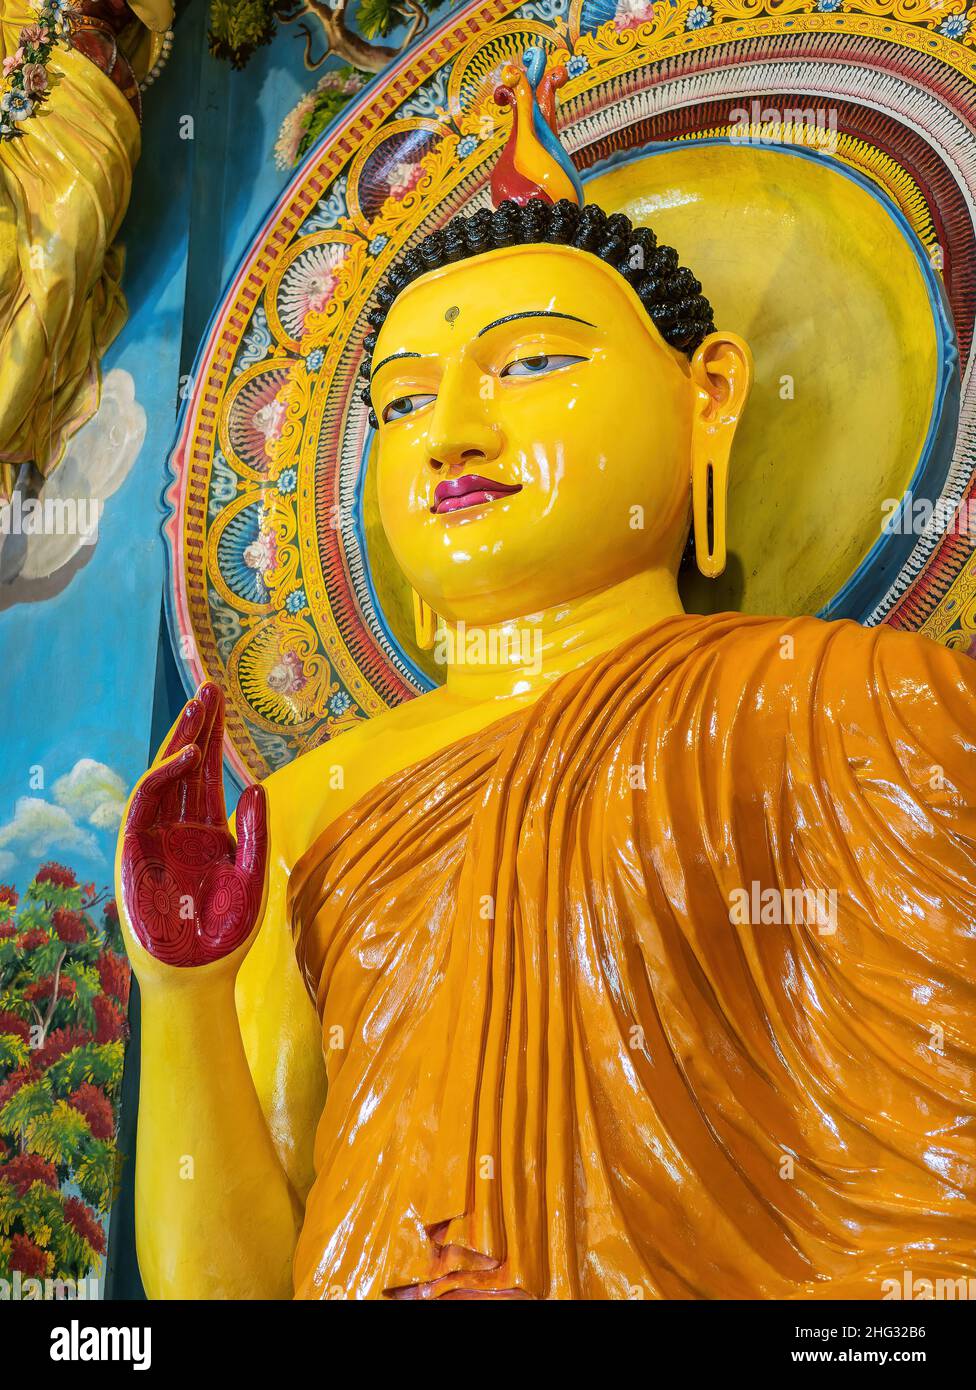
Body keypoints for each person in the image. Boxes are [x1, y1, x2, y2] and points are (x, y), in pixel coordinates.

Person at [117, 50, 976, 1300]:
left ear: (709, 400)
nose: (453, 430)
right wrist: (182, 983)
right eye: (404, 403)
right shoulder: (302, 809)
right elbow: (225, 1293)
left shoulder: (848, 708)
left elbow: (925, 1192)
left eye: (530, 366)